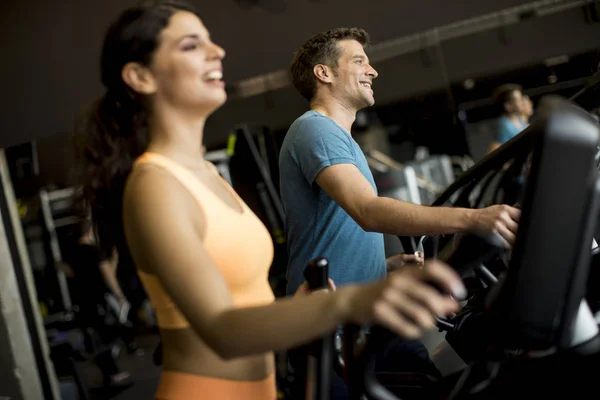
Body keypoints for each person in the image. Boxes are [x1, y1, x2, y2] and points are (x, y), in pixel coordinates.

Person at [76, 2, 467, 399]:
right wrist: (353, 301)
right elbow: (222, 331)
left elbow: (246, 300)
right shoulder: (154, 183)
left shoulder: (206, 175)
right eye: (192, 45)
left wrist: (350, 285)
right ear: (140, 76)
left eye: (212, 41)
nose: (218, 52)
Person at [279, 27, 521, 395]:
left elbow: (342, 224)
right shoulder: (315, 129)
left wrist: (381, 267)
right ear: (323, 73)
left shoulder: (341, 140)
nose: (372, 71)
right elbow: (368, 210)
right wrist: (474, 218)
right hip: (331, 323)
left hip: (368, 312)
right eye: (359, 60)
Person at [487, 84, 528, 153]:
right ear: (508, 106)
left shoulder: (520, 120)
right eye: (518, 100)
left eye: (521, 98)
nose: (522, 102)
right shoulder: (504, 124)